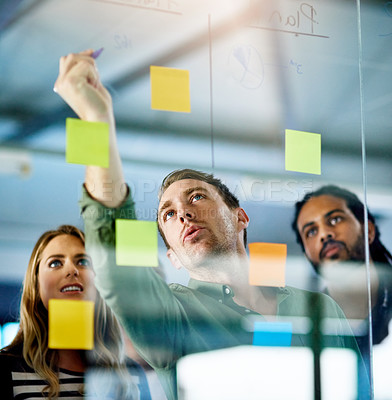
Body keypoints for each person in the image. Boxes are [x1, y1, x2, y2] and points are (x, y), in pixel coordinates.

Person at [54, 50, 364, 400]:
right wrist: (96, 119)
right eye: (168, 214)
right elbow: (115, 265)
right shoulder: (171, 317)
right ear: (172, 256)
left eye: (197, 197)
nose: (183, 213)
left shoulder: (320, 311)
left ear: (240, 217)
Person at [0, 225, 151, 399]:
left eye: (83, 261)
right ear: (36, 285)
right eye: (55, 263)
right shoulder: (7, 367)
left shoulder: (131, 374)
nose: (72, 270)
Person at [292, 185, 392, 345]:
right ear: (307, 256)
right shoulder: (305, 319)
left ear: (368, 230)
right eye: (311, 231)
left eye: (335, 219)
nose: (324, 234)